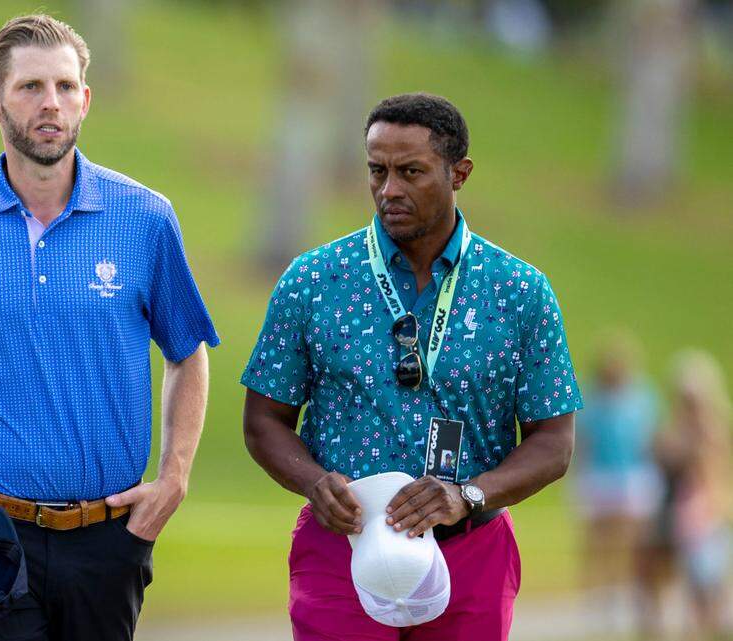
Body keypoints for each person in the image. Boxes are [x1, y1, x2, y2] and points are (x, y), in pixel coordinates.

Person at [0, 14, 217, 641]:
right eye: (31, 87)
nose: (51, 104)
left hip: (107, 539)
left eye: (66, 87)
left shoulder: (145, 218)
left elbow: (187, 351)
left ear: (85, 100)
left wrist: (174, 478)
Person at [241, 93, 583, 641]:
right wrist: (313, 482)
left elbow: (554, 440)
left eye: (411, 172)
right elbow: (263, 420)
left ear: (459, 173)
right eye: (376, 171)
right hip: (341, 547)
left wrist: (468, 494)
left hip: (472, 549)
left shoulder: (520, 291)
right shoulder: (312, 280)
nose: (388, 190)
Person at [637, 350, 731, 640]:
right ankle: (661, 628)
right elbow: (660, 455)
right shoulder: (673, 429)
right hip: (673, 511)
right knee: (652, 570)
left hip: (706, 515)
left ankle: (706, 626)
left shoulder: (714, 431)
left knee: (704, 583)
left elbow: (716, 476)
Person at [572, 332, 660, 622]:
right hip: (600, 475)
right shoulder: (592, 399)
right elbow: (582, 440)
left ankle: (628, 588)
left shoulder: (642, 396)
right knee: (599, 540)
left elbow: (648, 439)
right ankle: (599, 592)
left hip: (632, 475)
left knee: (635, 539)